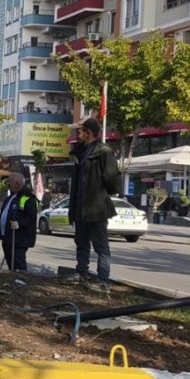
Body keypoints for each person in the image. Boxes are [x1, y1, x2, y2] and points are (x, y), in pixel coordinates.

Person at [68, 117, 121, 290]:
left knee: (101, 247)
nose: (77, 134)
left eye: (80, 131)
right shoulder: (79, 152)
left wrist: (100, 194)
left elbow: (112, 180)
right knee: (81, 244)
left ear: (88, 133)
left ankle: (103, 282)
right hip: (80, 209)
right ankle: (81, 275)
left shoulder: (103, 152)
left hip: (97, 209)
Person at [0, 172, 37, 271]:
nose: (8, 184)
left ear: (17, 183)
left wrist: (19, 224)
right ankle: (13, 281)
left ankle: (20, 281)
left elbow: (31, 218)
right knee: (10, 263)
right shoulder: (11, 197)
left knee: (18, 264)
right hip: (8, 236)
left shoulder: (28, 199)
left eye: (10, 182)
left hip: (19, 238)